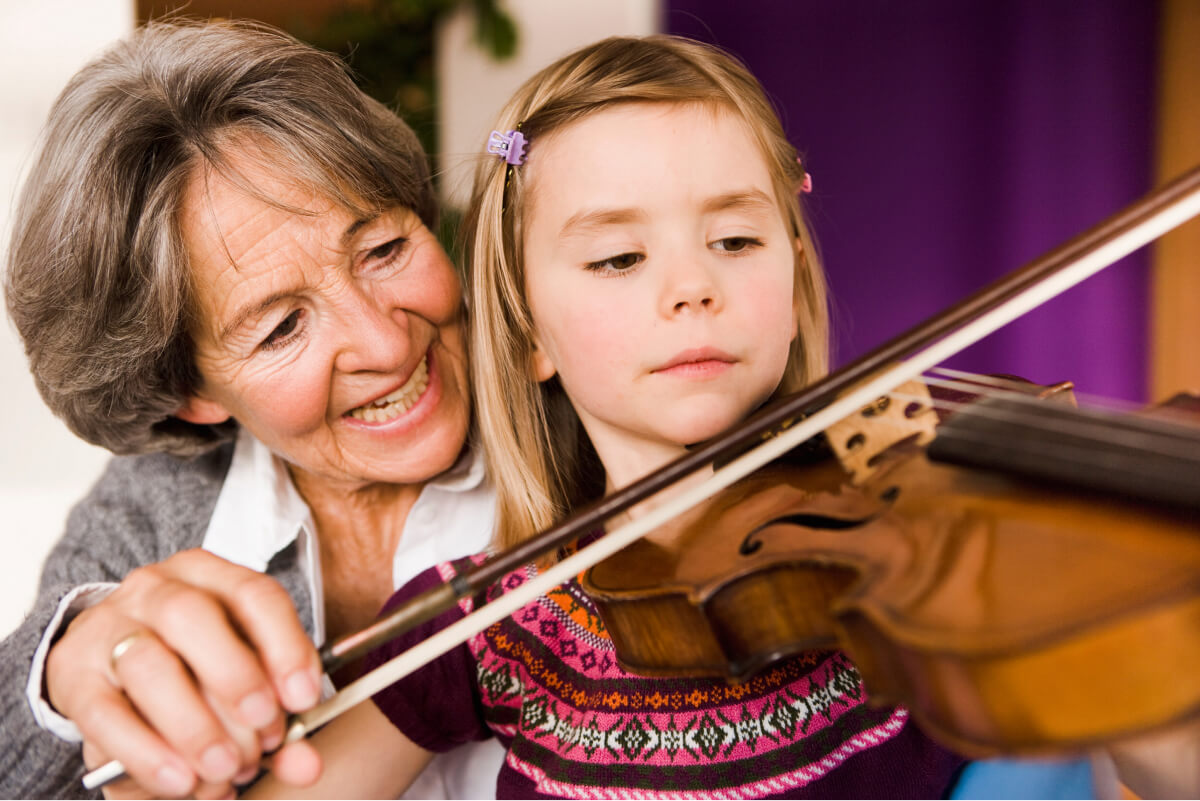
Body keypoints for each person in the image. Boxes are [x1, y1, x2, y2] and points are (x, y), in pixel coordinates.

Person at [246, 34, 969, 798]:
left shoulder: (907, 554)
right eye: (620, 258)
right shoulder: (492, 620)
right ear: (530, 334)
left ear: (791, 281)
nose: (692, 285)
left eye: (735, 239)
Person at [1, 19, 506, 799]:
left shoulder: (591, 412)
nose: (384, 341)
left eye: (382, 250)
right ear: (193, 392)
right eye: (280, 327)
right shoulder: (157, 504)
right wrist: (67, 660)